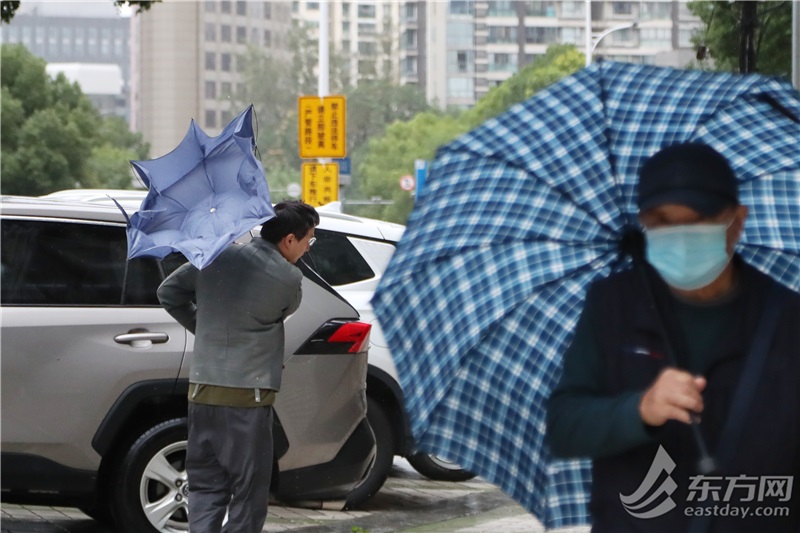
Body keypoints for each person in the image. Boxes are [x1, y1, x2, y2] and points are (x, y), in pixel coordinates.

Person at [546, 143, 799, 532]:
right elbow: (564, 427)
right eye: (662, 222)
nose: (679, 239)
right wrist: (640, 410)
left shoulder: (786, 318)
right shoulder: (612, 305)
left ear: (736, 221)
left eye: (696, 221)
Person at [157, 200, 319, 533]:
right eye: (308, 240)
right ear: (289, 239)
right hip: (248, 398)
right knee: (247, 492)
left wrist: (205, 326)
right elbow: (286, 309)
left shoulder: (215, 255)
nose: (307, 248)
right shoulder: (288, 278)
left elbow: (168, 291)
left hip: (202, 393)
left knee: (205, 485)